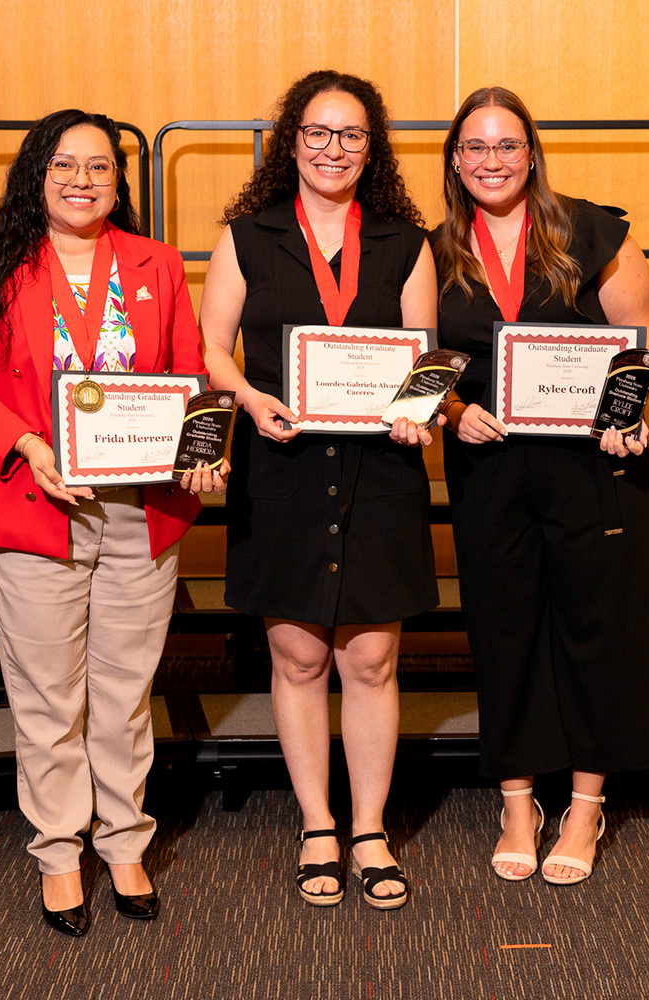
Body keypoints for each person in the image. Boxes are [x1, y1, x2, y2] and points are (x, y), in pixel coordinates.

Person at [0, 109, 225, 935]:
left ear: (118, 182)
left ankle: (126, 841)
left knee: (126, 694)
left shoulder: (156, 263)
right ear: (37, 173)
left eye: (100, 167)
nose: (83, 181)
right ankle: (60, 854)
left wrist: (201, 449)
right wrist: (25, 443)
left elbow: (188, 377)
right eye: (65, 165)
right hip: (38, 506)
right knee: (48, 699)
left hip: (141, 509)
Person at [198, 70, 437, 910]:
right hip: (284, 462)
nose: (334, 149)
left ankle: (368, 827)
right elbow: (212, 351)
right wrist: (249, 398)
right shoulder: (246, 237)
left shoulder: (407, 243)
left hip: (379, 470)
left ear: (372, 150)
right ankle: (317, 826)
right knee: (297, 654)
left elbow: (426, 357)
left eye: (352, 135)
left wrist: (419, 412)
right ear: (290, 140)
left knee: (371, 656)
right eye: (319, 132)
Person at [431, 86, 649, 886]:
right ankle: (519, 800)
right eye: (474, 148)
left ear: (531, 152)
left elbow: (642, 340)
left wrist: (628, 415)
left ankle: (587, 806)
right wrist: (452, 413)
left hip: (591, 468)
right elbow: (422, 365)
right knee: (504, 631)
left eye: (507, 145)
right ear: (455, 160)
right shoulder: (436, 251)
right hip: (490, 471)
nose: (491, 161)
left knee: (598, 630)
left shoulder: (591, 231)